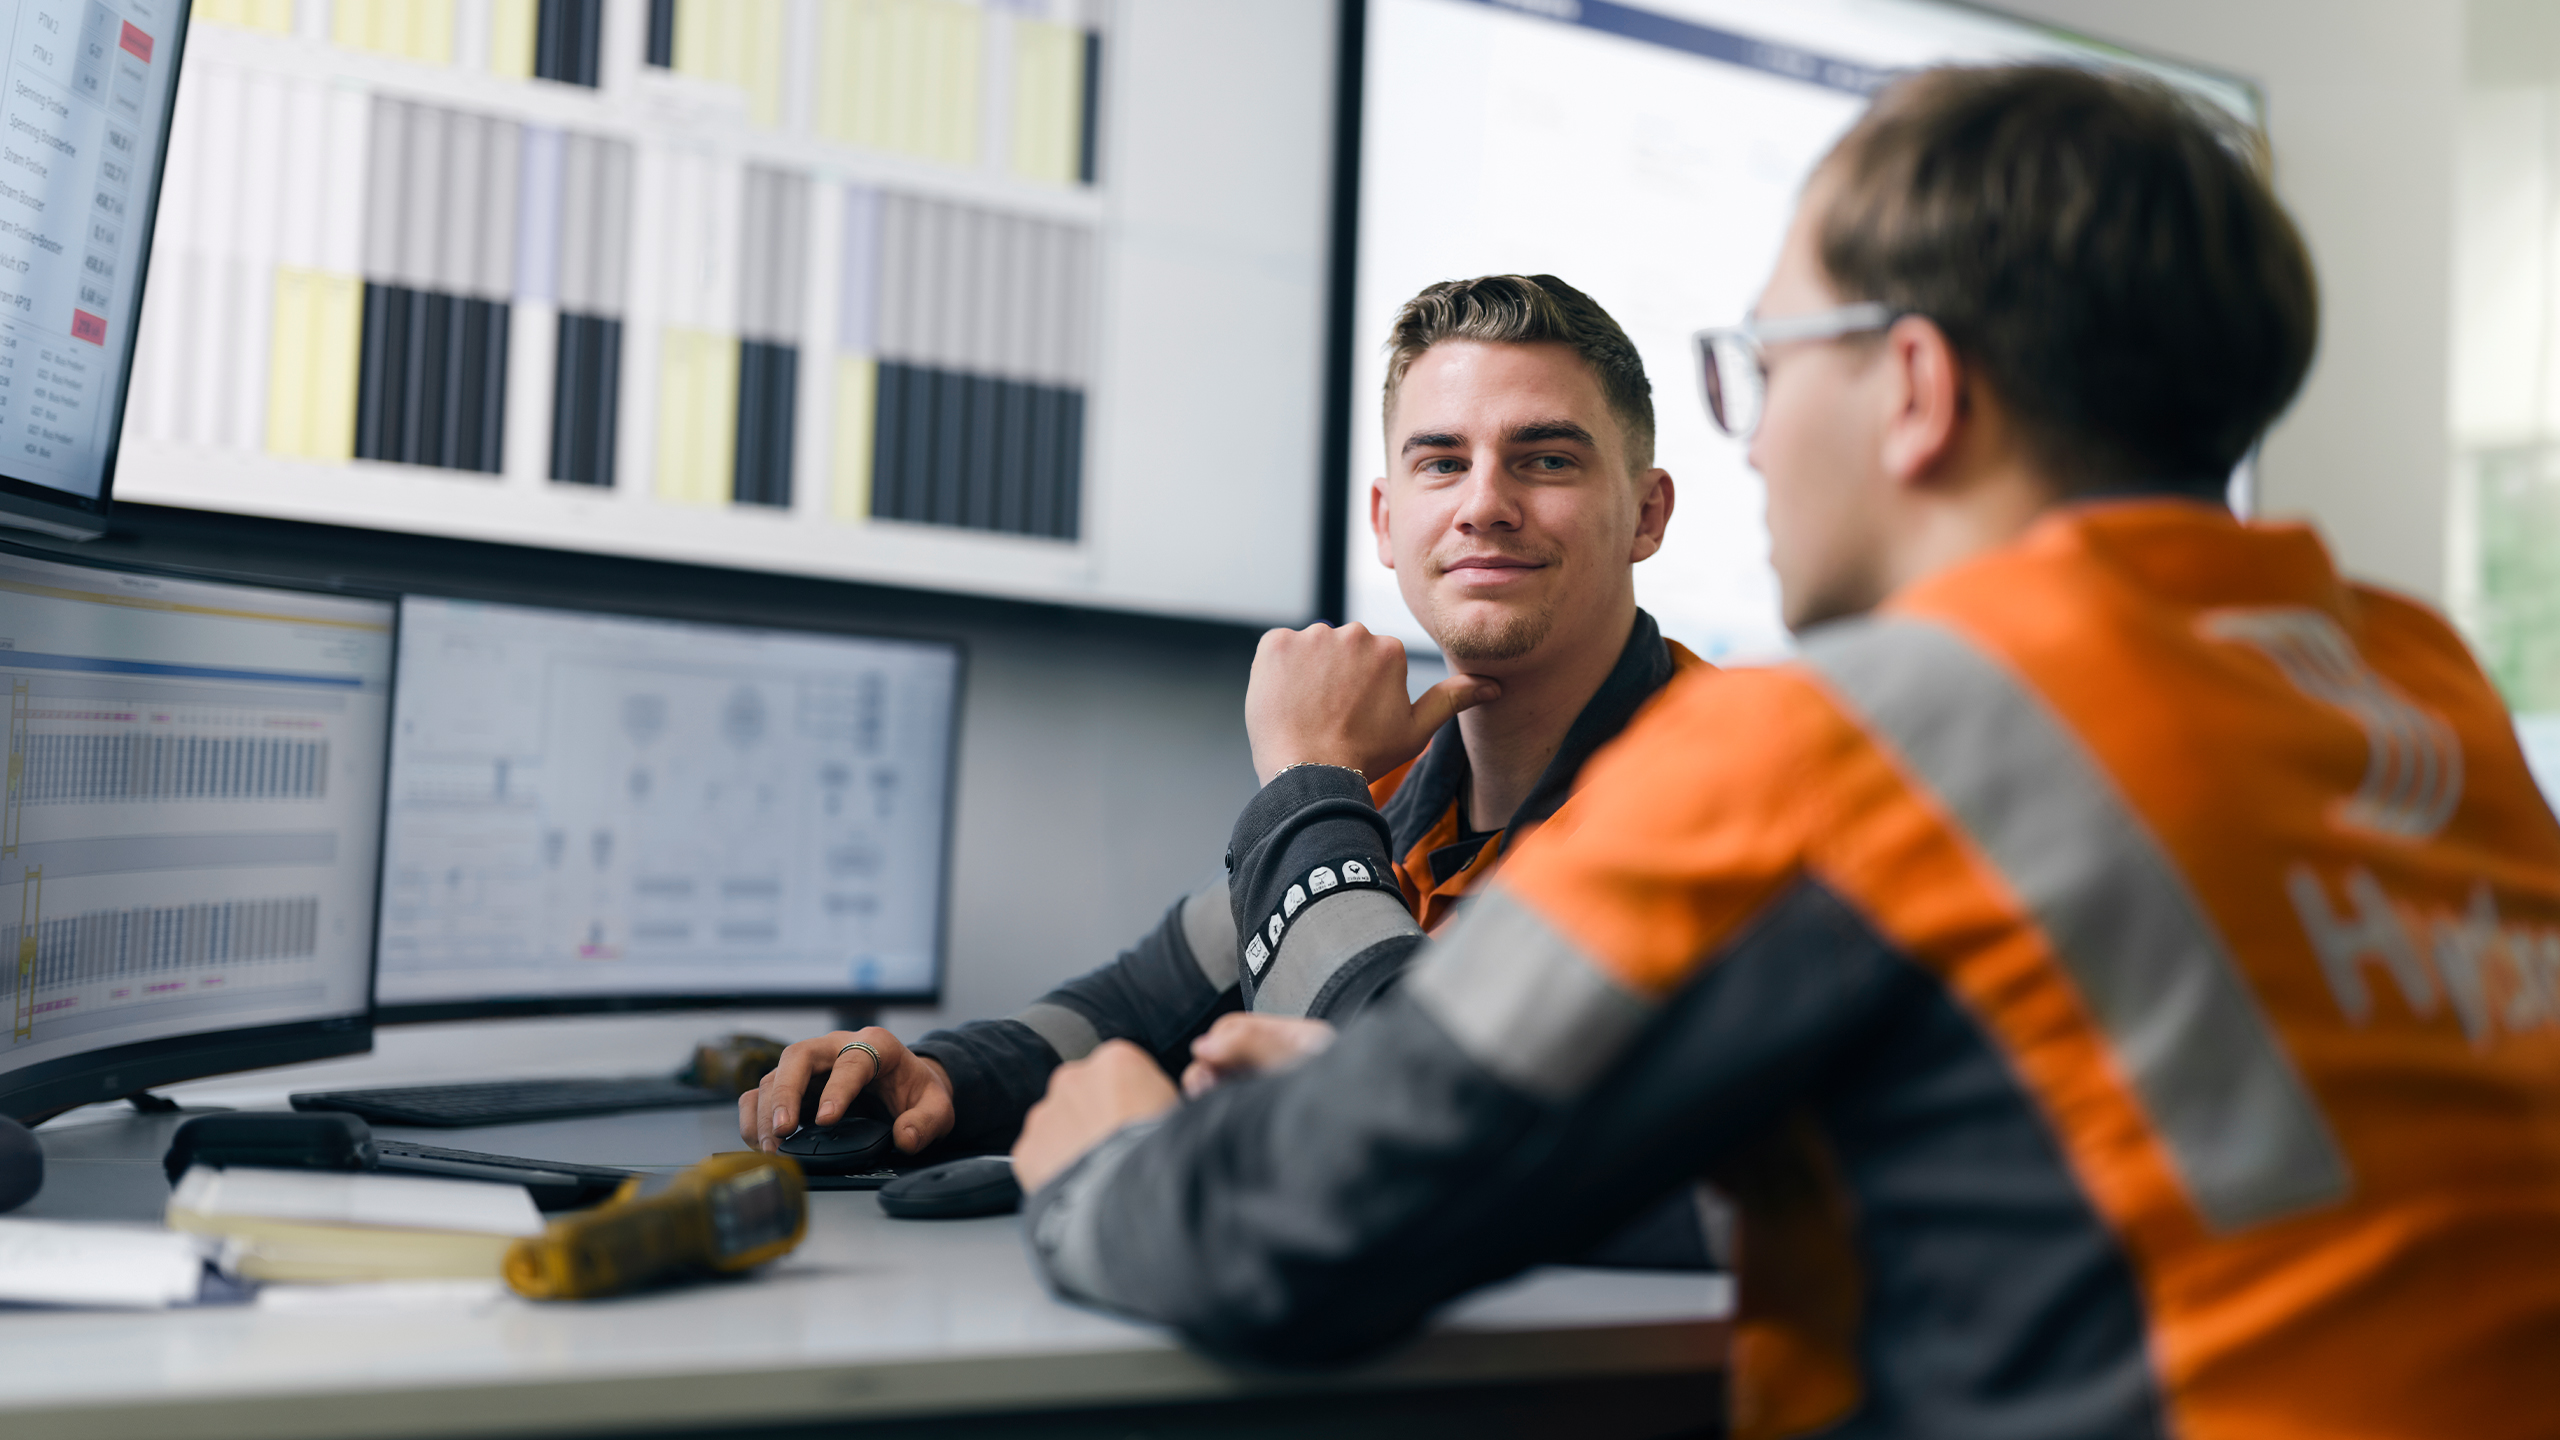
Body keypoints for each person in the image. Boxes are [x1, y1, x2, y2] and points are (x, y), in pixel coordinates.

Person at [1009, 63, 2560, 1438]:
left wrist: (1107, 1166)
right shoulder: (2417, 693)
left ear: (1913, 389)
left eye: (1762, 364)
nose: (1750, 439)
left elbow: (1302, 1225)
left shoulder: (1859, 740)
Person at [739, 273, 1697, 1171]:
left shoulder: (1711, 777)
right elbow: (1142, 1003)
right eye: (1441, 462)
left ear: (1647, 516)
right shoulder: (1405, 784)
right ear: (1384, 517)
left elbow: (1411, 1101)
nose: (1484, 505)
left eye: (1547, 459)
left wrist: (1307, 780)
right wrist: (940, 1078)